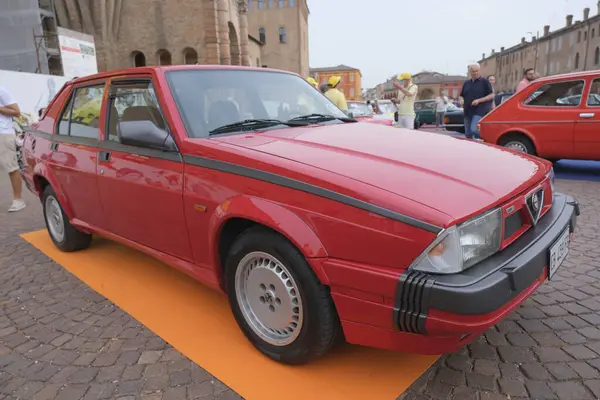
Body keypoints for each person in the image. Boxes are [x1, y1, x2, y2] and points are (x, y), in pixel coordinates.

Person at [0, 85, 25, 212]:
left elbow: (16, 111)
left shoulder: (2, 90)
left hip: (3, 133)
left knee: (11, 167)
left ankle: (18, 200)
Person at [459, 63, 494, 140]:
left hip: (479, 110)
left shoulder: (484, 81)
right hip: (467, 110)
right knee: (468, 134)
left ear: (479, 71)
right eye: (473, 71)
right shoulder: (466, 83)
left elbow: (491, 95)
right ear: (470, 72)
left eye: (477, 71)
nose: (475, 73)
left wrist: (479, 100)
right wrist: (461, 100)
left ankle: (486, 137)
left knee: (474, 129)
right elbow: (461, 95)